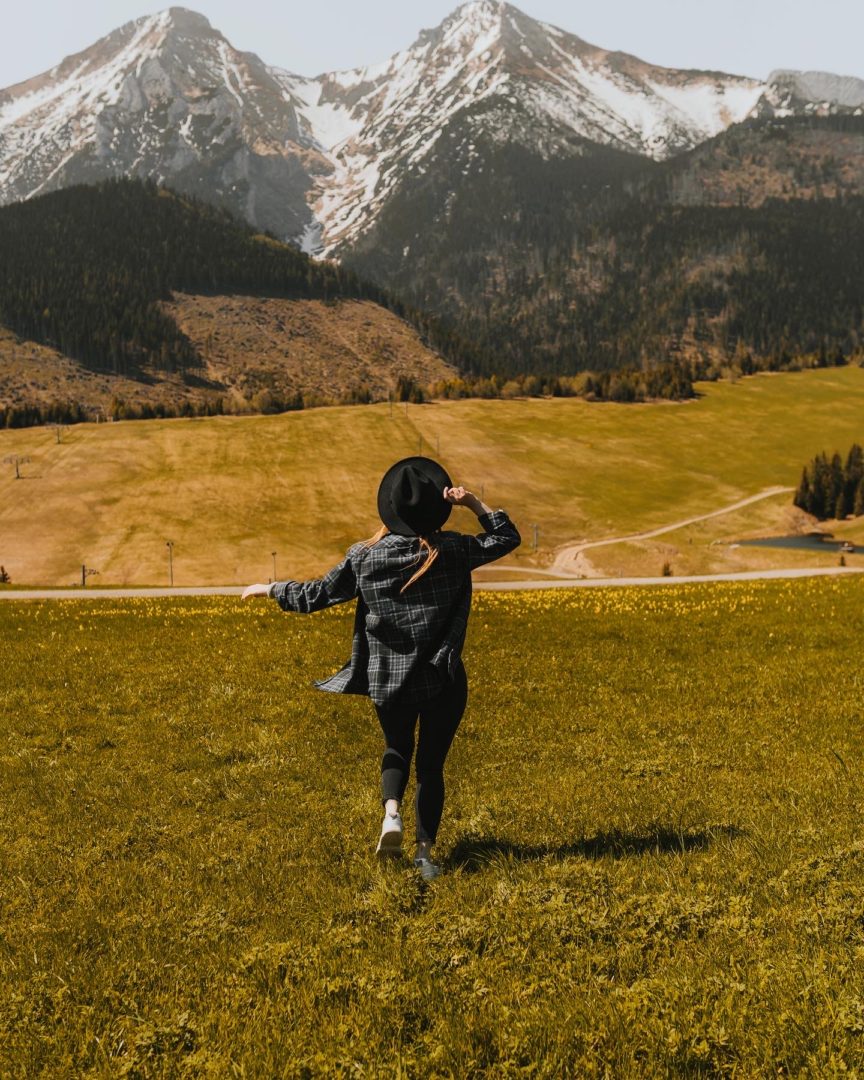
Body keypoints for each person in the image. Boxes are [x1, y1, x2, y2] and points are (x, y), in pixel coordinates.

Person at [242, 457, 521, 879]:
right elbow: (507, 538)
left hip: (387, 680)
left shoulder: (365, 557)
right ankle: (425, 857)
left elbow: (320, 593)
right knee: (431, 767)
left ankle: (391, 815)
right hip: (442, 676)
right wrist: (475, 504)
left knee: (396, 749)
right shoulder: (454, 551)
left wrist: (272, 589)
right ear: (437, 508)